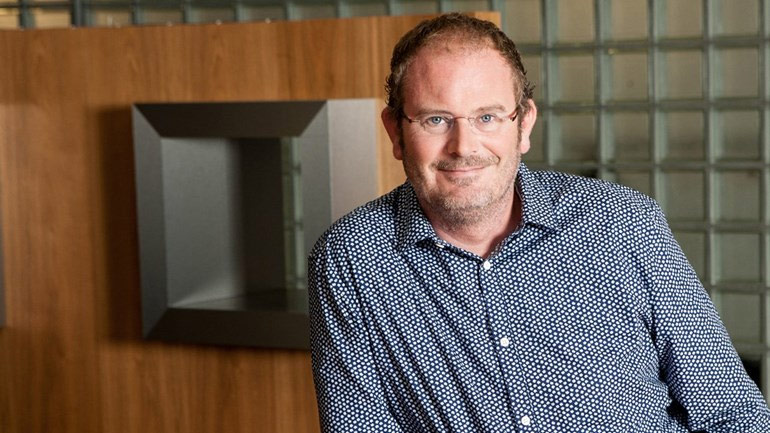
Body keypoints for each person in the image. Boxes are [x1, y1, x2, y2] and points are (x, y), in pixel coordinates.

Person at [308, 12, 770, 432]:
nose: (463, 146)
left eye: (487, 116)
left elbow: (732, 412)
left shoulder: (624, 222)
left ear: (524, 124)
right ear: (395, 131)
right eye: (435, 120)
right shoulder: (350, 258)